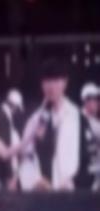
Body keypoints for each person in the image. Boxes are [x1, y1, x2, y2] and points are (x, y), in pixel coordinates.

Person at [20, 59, 81, 191]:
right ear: (42, 84)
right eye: (47, 81)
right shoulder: (35, 119)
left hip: (73, 192)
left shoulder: (77, 116)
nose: (51, 86)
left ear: (65, 82)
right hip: (42, 192)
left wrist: (71, 182)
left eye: (56, 80)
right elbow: (26, 157)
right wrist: (35, 180)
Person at [0, 89, 25, 190]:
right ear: (14, 106)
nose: (16, 113)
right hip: (2, 175)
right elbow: (3, 150)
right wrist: (10, 176)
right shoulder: (1, 119)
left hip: (5, 172)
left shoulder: (4, 118)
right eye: (17, 109)